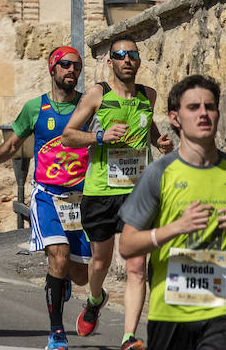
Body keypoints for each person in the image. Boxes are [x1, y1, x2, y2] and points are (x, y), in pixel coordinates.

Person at [118, 75, 226, 349]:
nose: (203, 114)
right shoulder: (159, 173)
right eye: (193, 107)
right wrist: (176, 227)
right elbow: (127, 245)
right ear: (175, 118)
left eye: (210, 107)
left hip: (224, 308)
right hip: (170, 311)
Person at [61, 36, 173, 350]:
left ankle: (128, 337)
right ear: (111, 62)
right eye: (121, 55)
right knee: (100, 263)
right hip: (100, 192)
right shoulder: (97, 94)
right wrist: (100, 136)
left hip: (138, 193)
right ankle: (95, 299)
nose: (127, 60)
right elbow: (68, 136)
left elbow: (148, 129)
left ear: (139, 61)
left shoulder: (148, 95)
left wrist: (159, 141)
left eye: (132, 55)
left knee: (136, 267)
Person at [0, 46, 91, 350]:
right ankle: (57, 333)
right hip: (47, 196)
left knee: (81, 276)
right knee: (59, 255)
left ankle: (62, 279)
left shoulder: (88, 106)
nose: (72, 70)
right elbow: (13, 143)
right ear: (52, 68)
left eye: (77, 66)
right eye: (65, 64)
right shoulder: (35, 108)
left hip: (79, 199)